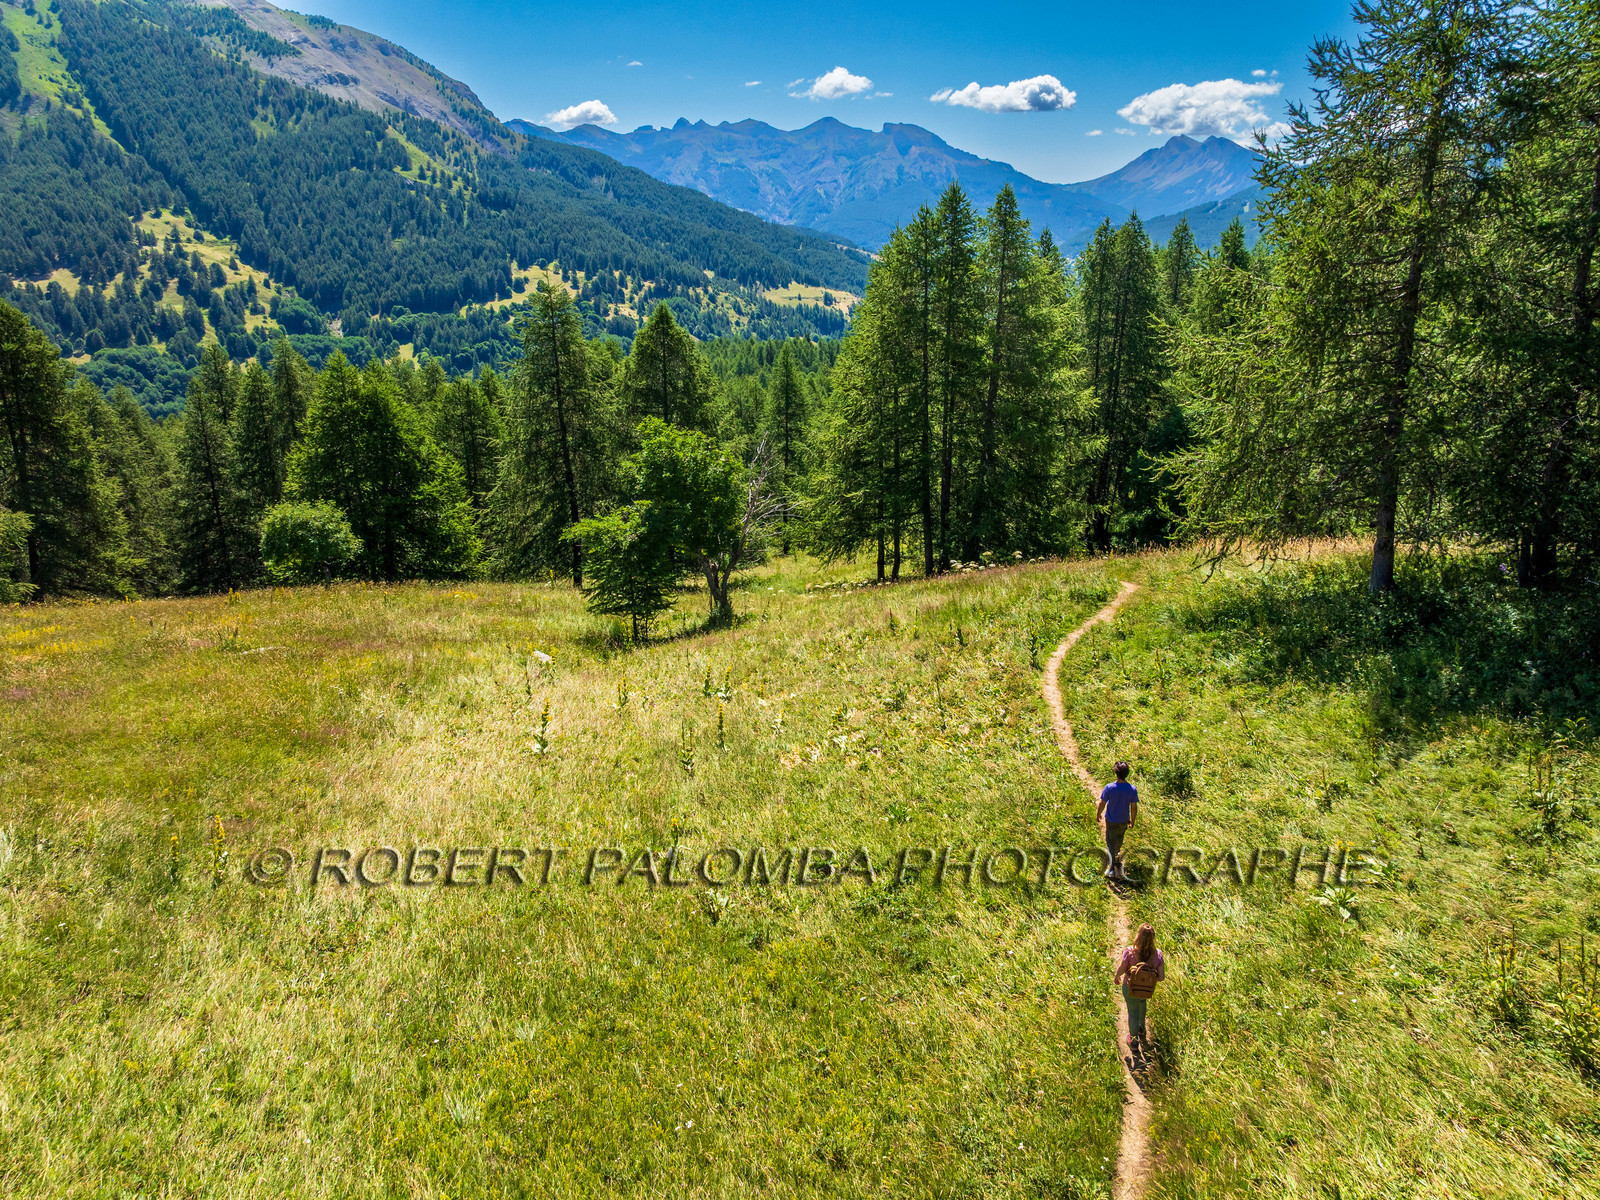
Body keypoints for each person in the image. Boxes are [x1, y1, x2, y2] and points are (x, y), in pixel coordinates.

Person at [1113, 922, 1164, 1052]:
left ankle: (1134, 1040)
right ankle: (1142, 1028)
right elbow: (1161, 977)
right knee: (1142, 1002)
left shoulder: (1130, 952)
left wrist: (1117, 976)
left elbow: (1123, 968)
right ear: (1153, 937)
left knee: (1133, 1012)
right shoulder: (1157, 954)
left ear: (1138, 936)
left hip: (1130, 987)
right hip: (1147, 989)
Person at [1096, 760, 1138, 881]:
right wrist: (1132, 820)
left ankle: (1112, 869)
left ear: (1116, 773)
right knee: (1119, 839)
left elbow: (1102, 803)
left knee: (1110, 842)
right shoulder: (1132, 789)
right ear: (1127, 773)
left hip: (1111, 820)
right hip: (1124, 820)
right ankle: (1115, 858)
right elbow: (1134, 807)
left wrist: (1098, 814)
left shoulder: (1109, 787)